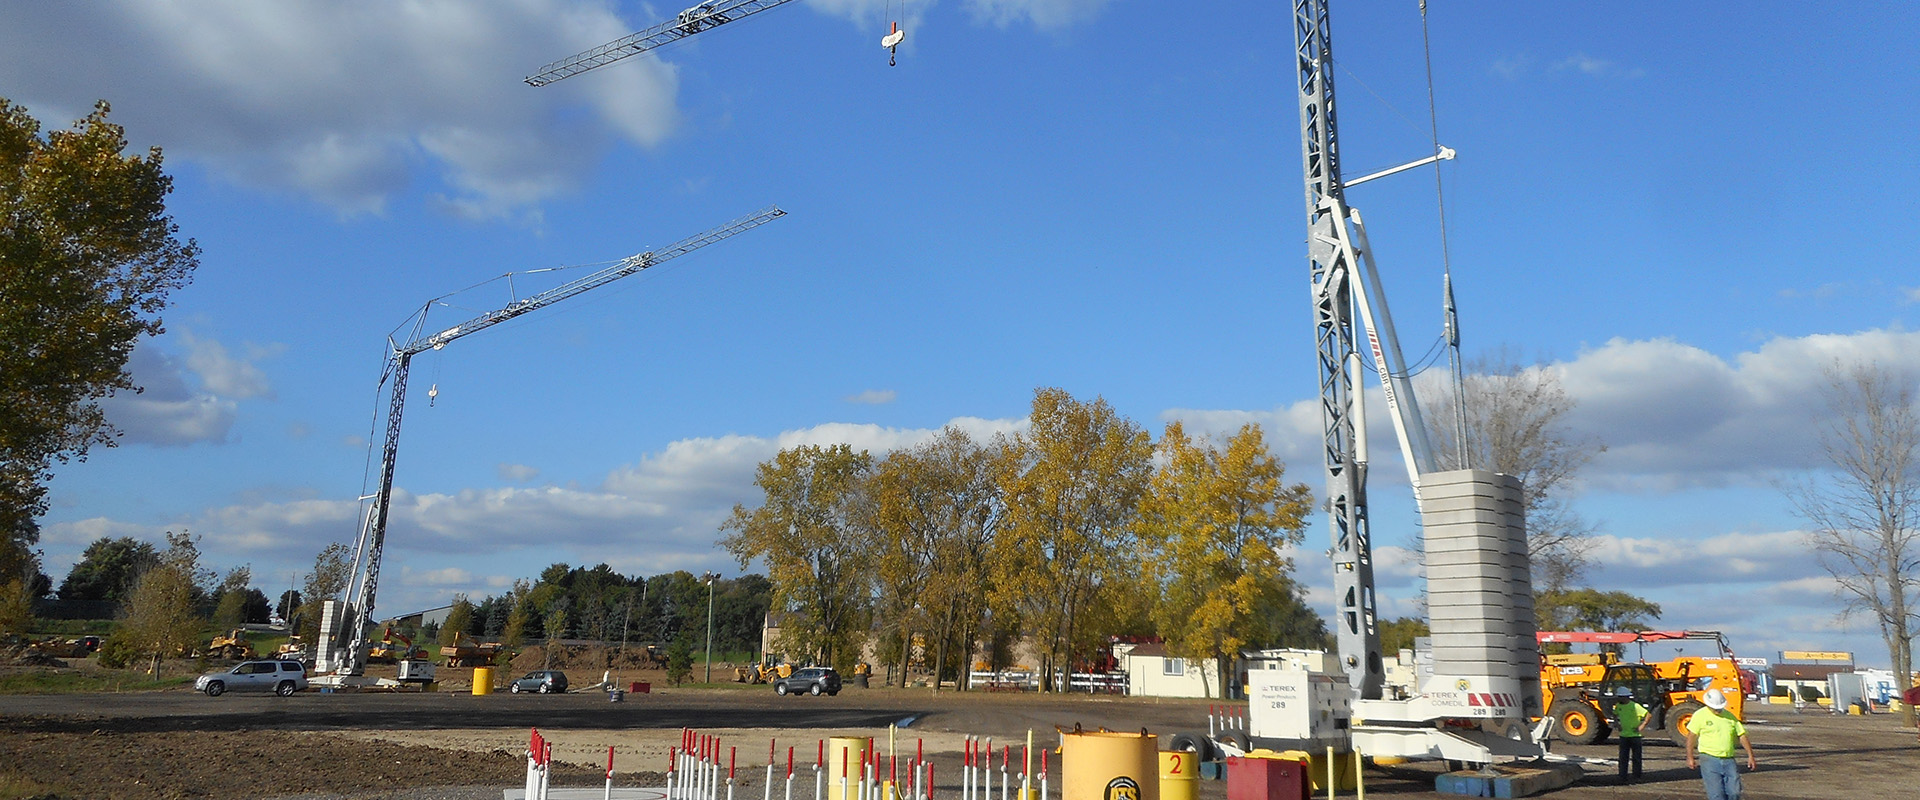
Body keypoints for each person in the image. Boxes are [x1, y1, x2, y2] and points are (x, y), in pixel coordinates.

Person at [1686, 688, 1756, 800]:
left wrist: (1750, 756)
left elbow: (1742, 735)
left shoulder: (1730, 717)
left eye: (1719, 708)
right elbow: (1691, 736)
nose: (1717, 710)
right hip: (1709, 759)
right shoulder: (1700, 715)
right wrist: (1690, 757)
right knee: (1716, 795)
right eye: (1715, 708)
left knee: (1735, 792)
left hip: (1729, 760)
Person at [1611, 686, 1649, 783]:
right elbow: (1615, 714)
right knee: (1623, 758)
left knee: (1636, 758)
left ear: (1625, 697)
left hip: (1635, 736)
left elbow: (1648, 715)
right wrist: (1616, 723)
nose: (1618, 699)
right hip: (1624, 736)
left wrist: (1642, 726)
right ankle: (1622, 776)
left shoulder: (1635, 706)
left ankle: (1637, 776)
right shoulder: (1619, 706)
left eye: (1620, 697)